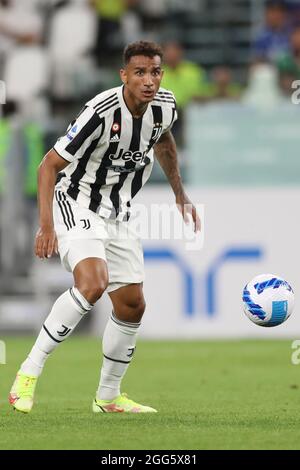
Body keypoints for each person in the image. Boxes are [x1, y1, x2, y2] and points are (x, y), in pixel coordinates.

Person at [9, 40, 201, 414]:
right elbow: (47, 166)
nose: (149, 81)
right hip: (76, 201)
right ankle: (28, 373)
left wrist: (179, 193)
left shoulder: (164, 107)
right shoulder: (99, 112)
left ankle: (108, 396)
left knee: (132, 305)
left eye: (155, 72)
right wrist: (45, 226)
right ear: (124, 75)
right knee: (93, 284)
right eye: (140, 73)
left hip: (119, 212)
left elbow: (163, 141)